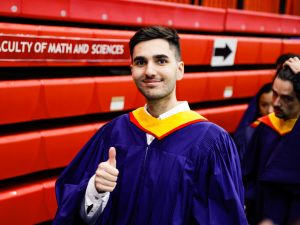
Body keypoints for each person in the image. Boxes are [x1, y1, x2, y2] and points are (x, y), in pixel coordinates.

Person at [53, 26, 248, 225]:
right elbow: (71, 209)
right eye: (140, 62)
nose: (149, 71)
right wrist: (95, 190)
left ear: (179, 70)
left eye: (161, 61)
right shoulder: (113, 133)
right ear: (132, 70)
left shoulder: (210, 142)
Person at [242, 57, 300, 225]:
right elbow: (248, 174)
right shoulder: (265, 127)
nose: (276, 103)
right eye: (275, 93)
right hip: (261, 214)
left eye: (287, 98)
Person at [233, 82, 273, 162]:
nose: (269, 111)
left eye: (273, 104)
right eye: (264, 105)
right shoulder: (248, 133)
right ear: (258, 106)